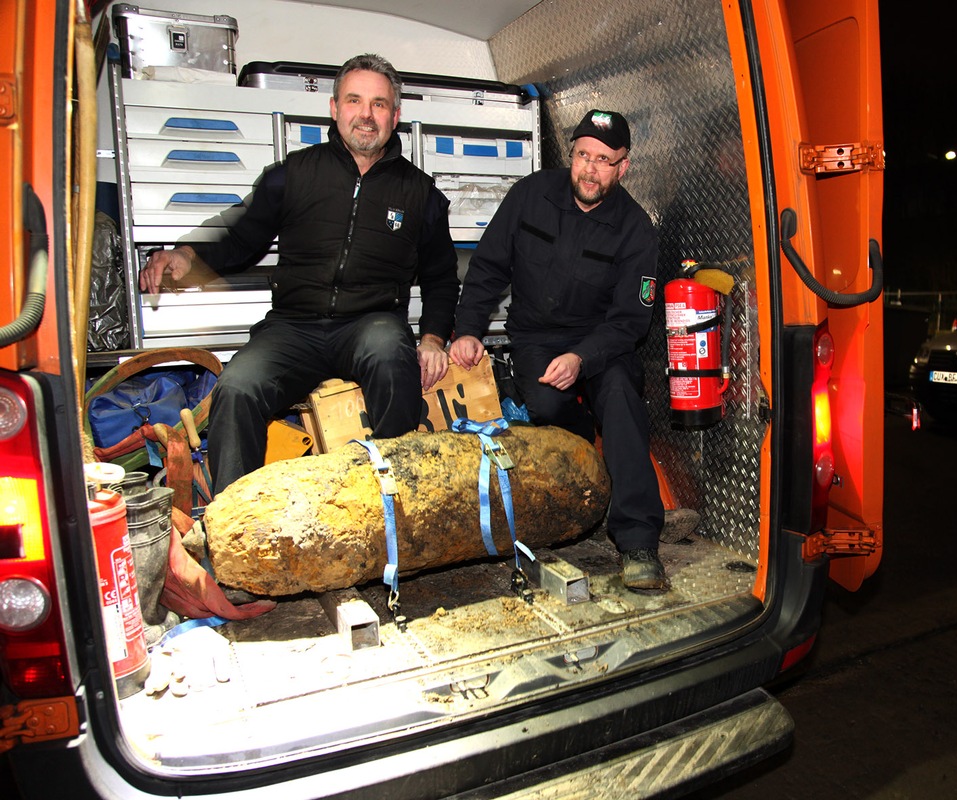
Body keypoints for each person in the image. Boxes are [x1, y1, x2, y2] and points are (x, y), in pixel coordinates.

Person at [139, 53, 459, 495]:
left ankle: (394, 503)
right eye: (354, 100)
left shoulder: (420, 193)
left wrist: (433, 338)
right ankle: (236, 521)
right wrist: (187, 254)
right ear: (334, 109)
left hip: (371, 323)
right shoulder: (294, 174)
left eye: (379, 104)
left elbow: (442, 276)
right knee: (238, 385)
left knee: (392, 353)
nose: (366, 115)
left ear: (395, 115)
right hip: (293, 326)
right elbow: (240, 234)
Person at [449, 109, 666, 592]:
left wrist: (583, 359)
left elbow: (631, 320)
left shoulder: (635, 229)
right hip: (538, 337)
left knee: (621, 400)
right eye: (583, 156)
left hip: (603, 342)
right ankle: (586, 471)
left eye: (603, 161)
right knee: (547, 404)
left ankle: (638, 541)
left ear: (623, 167)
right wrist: (467, 330)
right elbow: (487, 268)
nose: (590, 169)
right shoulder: (531, 195)